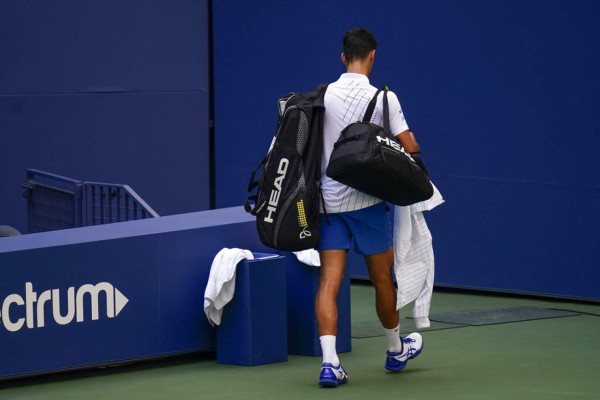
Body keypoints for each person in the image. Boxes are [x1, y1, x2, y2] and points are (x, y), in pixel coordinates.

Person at [316, 27, 425, 387]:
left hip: (329, 204)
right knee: (382, 278)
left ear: (343, 57)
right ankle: (395, 351)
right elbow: (410, 146)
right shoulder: (385, 99)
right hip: (368, 203)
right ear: (373, 55)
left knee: (330, 281)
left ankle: (330, 364)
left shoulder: (323, 95)